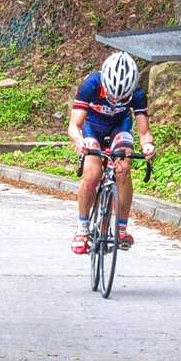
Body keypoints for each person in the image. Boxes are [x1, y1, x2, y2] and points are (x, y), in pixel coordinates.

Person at [69, 50, 154, 254]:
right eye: (111, 94)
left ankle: (121, 227)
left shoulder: (137, 94)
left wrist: (148, 146)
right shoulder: (91, 84)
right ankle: (82, 229)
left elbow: (144, 132)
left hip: (120, 127)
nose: (116, 100)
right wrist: (79, 140)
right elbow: (74, 124)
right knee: (92, 173)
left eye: (122, 96)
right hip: (92, 127)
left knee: (123, 168)